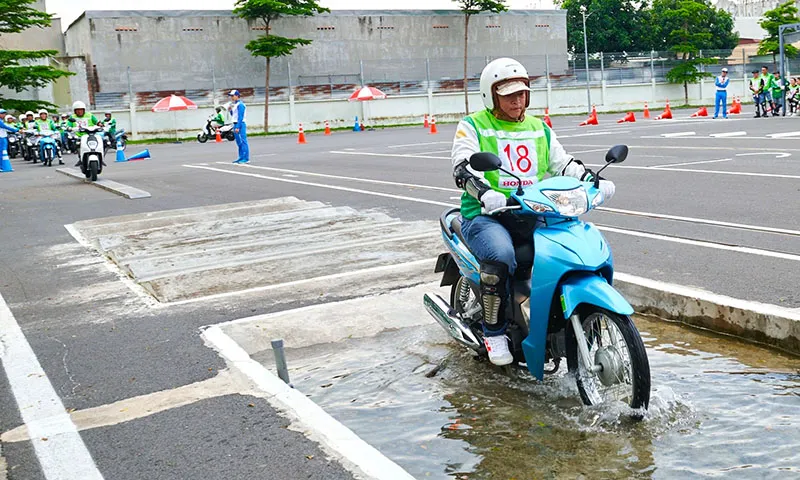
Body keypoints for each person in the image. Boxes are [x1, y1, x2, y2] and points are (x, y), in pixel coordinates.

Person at [450, 57, 616, 365]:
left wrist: (594, 180)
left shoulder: (539, 127)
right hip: (487, 216)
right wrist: (484, 193)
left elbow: (562, 163)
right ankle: (494, 332)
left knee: (570, 250)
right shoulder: (473, 125)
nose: (517, 100)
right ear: (491, 95)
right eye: (509, 94)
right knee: (501, 257)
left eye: (522, 93)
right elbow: (462, 169)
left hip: (532, 210)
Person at [67, 100, 100, 166]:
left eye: (81, 110)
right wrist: (69, 128)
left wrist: (100, 124)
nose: (79, 111)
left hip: (90, 134)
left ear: (84, 110)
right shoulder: (72, 117)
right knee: (77, 145)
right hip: (79, 136)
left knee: (101, 141)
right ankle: (80, 159)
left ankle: (100, 156)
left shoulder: (90, 115)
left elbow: (97, 122)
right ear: (75, 111)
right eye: (77, 110)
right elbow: (69, 125)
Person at [228, 90, 249, 164]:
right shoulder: (235, 105)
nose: (231, 97)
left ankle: (246, 157)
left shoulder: (241, 105)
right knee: (239, 142)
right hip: (235, 123)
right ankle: (241, 157)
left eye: (233, 96)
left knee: (243, 141)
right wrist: (230, 111)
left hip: (240, 124)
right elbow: (234, 115)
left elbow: (240, 116)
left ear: (237, 95)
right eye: (231, 96)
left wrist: (238, 126)